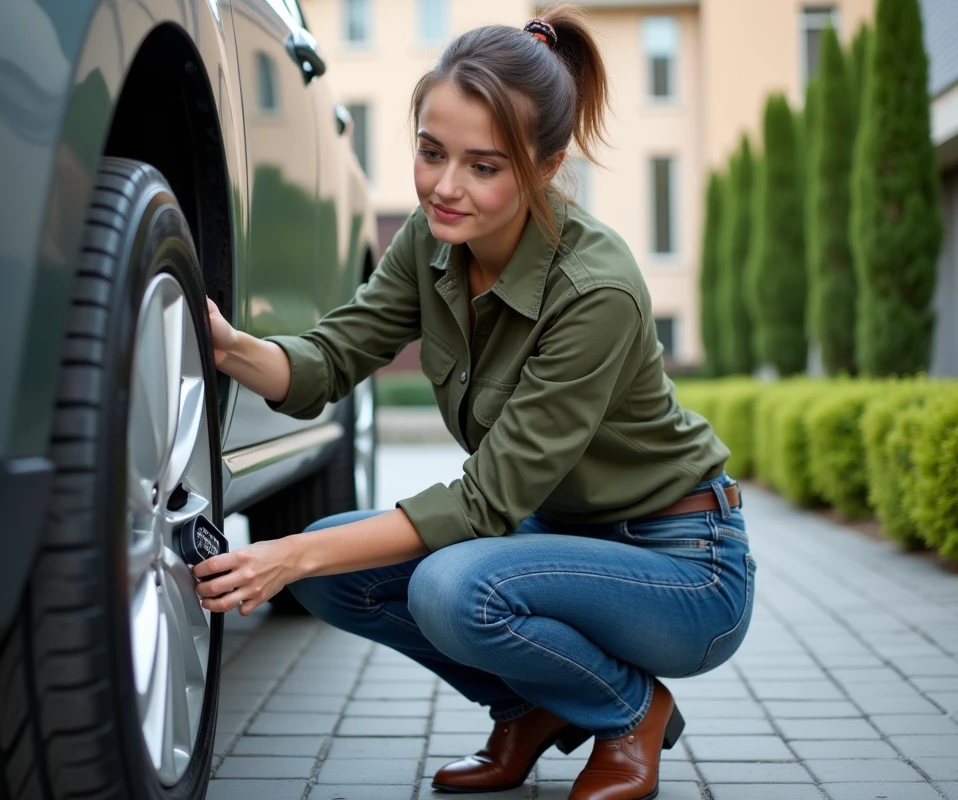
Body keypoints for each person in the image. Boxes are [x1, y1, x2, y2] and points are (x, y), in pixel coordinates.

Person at [192, 6, 756, 799]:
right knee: (330, 569)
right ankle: (531, 706)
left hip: (682, 564)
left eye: (484, 166)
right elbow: (330, 360)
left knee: (449, 588)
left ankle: (631, 712)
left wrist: (280, 556)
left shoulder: (596, 290)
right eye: (431, 152)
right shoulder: (430, 240)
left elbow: (487, 502)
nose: (445, 187)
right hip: (552, 536)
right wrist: (229, 346)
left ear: (546, 165)